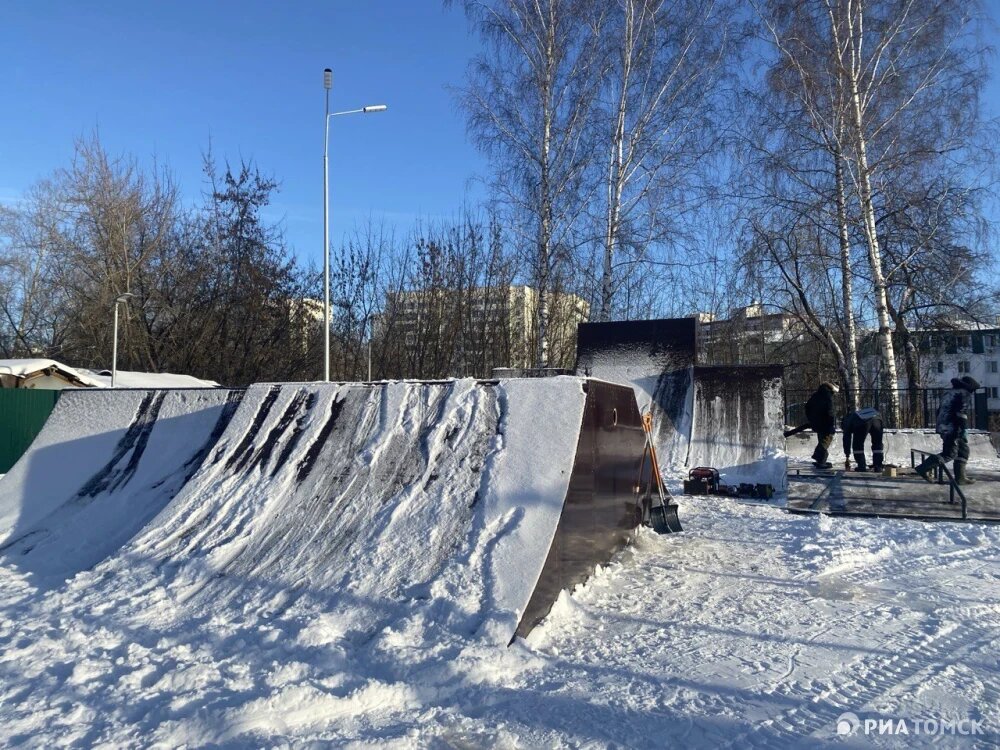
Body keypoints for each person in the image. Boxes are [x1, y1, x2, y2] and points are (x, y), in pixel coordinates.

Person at [915, 375, 980, 485]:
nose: (973, 392)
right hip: (953, 427)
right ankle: (923, 468)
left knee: (963, 450)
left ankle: (961, 478)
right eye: (973, 390)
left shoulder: (949, 393)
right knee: (949, 453)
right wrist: (963, 429)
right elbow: (961, 413)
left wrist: (941, 425)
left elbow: (939, 410)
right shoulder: (964, 394)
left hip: (944, 426)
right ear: (970, 387)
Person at [805, 381, 839, 469]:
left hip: (816, 423)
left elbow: (807, 407)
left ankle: (820, 460)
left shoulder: (816, 395)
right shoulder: (828, 396)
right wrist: (831, 425)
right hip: (825, 423)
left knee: (821, 439)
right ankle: (819, 459)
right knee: (826, 441)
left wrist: (811, 419)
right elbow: (830, 412)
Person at [842, 407, 884, 472]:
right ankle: (878, 466)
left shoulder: (847, 421)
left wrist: (847, 454)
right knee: (877, 443)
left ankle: (861, 466)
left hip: (862, 421)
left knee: (857, 444)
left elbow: (846, 439)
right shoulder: (853, 415)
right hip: (877, 418)